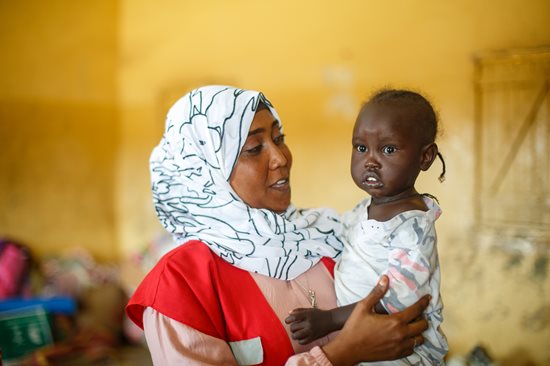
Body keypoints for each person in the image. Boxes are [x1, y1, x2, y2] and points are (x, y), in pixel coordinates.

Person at [126, 85, 431, 365]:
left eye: (279, 138)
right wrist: (339, 354)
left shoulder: (327, 235)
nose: (280, 157)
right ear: (205, 172)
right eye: (254, 149)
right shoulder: (179, 284)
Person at [285, 89, 448, 365]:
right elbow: (333, 226)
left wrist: (330, 320)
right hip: (368, 348)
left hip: (404, 353)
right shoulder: (365, 210)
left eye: (388, 149)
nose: (370, 161)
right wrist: (288, 218)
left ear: (425, 158)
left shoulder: (413, 229)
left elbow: (399, 300)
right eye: (361, 148)